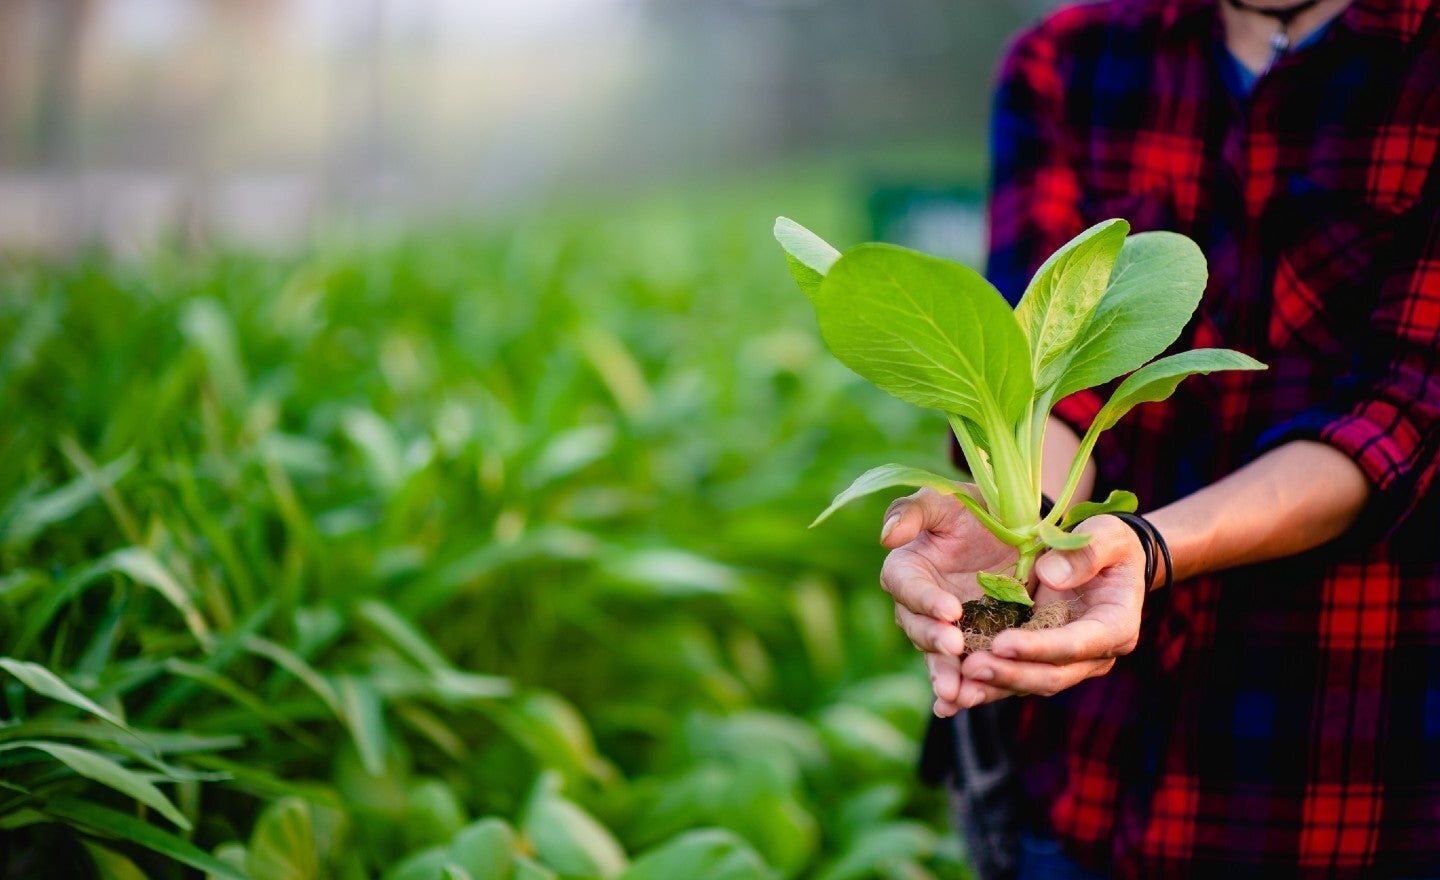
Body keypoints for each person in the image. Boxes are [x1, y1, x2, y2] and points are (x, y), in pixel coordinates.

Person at [879, 0, 1440, 877]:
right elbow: (1041, 378)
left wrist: (1149, 547)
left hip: (1339, 781)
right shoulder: (1069, 59)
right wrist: (1016, 520)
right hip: (1076, 782)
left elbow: (1402, 413)